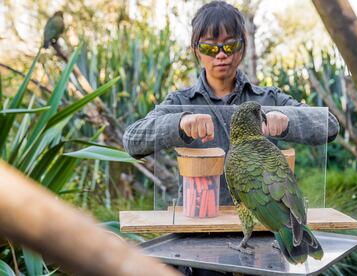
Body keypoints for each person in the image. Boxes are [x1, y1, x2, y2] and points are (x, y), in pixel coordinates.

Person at [123, 1, 339, 275]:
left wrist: (286, 120)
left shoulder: (267, 99)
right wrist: (179, 122)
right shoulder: (180, 101)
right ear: (196, 51)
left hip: (267, 235)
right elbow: (132, 140)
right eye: (210, 47)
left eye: (230, 44)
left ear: (243, 45)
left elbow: (329, 126)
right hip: (201, 235)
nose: (221, 54)